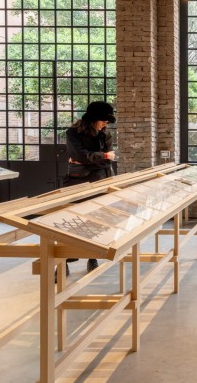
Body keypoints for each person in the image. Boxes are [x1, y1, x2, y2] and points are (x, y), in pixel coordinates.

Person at [62, 101, 117, 276]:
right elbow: (79, 155)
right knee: (71, 222)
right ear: (93, 119)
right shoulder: (72, 133)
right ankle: (63, 260)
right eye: (103, 120)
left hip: (101, 180)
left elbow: (107, 158)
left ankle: (92, 256)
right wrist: (101, 157)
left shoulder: (105, 135)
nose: (105, 124)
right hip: (76, 182)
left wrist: (92, 158)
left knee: (95, 222)